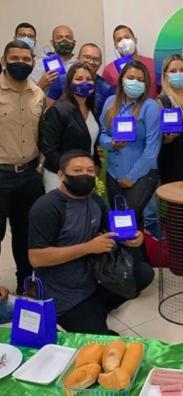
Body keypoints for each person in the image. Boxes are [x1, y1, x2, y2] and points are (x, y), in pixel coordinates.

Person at [28, 150, 154, 334]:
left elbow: (111, 231)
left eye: (89, 170)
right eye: (77, 171)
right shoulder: (47, 207)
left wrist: (133, 237)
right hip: (64, 291)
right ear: (61, 175)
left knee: (144, 274)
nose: (85, 175)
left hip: (96, 276)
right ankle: (89, 315)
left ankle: (97, 309)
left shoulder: (94, 200)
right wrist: (88, 248)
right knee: (102, 342)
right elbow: (37, 258)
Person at [0, 40, 45, 294]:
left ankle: (25, 281)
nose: (20, 63)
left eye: (26, 59)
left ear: (33, 62)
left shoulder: (37, 93)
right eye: (14, 58)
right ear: (4, 60)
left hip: (28, 175)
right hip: (0, 173)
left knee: (25, 232)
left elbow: (42, 133)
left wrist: (40, 163)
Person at [144, 54, 183, 241]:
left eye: (182, 70)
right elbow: (156, 138)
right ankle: (181, 262)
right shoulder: (161, 102)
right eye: (173, 71)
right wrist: (168, 137)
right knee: (178, 214)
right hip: (173, 164)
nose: (178, 74)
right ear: (166, 76)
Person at [99, 60, 161, 218]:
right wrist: (110, 143)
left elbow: (152, 148)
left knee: (130, 220)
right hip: (113, 173)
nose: (135, 82)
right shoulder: (110, 103)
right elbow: (102, 133)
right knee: (119, 223)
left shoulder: (150, 106)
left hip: (141, 175)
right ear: (122, 79)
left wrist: (132, 177)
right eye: (131, 77)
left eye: (141, 80)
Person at [39, 63, 100, 192]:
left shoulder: (92, 110)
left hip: (85, 175)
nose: (85, 82)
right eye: (78, 79)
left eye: (89, 79)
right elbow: (48, 148)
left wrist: (95, 166)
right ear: (69, 82)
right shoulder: (58, 110)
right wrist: (67, 172)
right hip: (59, 175)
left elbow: (90, 142)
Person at [47, 43, 115, 119]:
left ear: (100, 63)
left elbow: (107, 119)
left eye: (96, 59)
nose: (91, 62)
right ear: (78, 58)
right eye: (87, 57)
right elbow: (49, 111)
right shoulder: (61, 80)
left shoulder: (107, 88)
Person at [102, 25, 158, 98]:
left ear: (135, 40)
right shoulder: (109, 70)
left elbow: (163, 91)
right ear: (115, 45)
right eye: (119, 40)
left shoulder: (153, 64)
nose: (124, 42)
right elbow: (107, 98)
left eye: (127, 37)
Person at [30, 25, 79, 92]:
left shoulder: (79, 64)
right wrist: (41, 84)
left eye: (68, 37)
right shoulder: (41, 63)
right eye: (59, 37)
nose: (64, 39)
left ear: (74, 42)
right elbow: (30, 94)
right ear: (52, 42)